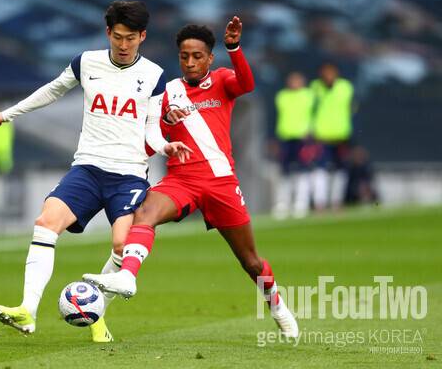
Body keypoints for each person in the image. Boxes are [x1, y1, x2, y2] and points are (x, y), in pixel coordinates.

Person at [0, 0, 191, 342]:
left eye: (131, 38)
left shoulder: (154, 75)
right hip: (88, 168)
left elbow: (153, 128)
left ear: (142, 36)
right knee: (46, 223)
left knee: (123, 245)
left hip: (128, 175)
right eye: (118, 37)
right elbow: (52, 90)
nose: (123, 45)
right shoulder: (86, 62)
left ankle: (97, 315)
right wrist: (7, 114)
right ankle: (27, 310)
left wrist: (164, 146)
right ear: (108, 32)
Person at [83, 17, 299, 337]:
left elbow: (247, 84)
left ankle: (278, 307)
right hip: (181, 180)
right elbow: (150, 141)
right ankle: (128, 276)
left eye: (197, 56)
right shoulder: (167, 92)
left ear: (210, 58)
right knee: (144, 214)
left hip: (221, 182)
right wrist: (164, 125)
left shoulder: (223, 80)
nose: (190, 62)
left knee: (251, 262)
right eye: (184, 56)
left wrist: (234, 48)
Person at [310, 63, 355, 211]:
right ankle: (320, 203)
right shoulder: (315, 87)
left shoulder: (345, 87)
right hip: (321, 136)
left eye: (331, 72)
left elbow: (350, 107)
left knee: (341, 170)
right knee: (320, 169)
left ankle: (337, 201)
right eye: (326, 73)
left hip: (341, 135)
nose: (328, 76)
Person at [271, 72, 314, 219]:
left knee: (302, 171)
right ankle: (282, 204)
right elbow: (276, 117)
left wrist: (311, 131)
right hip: (285, 137)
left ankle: (301, 203)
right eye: (292, 80)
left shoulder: (309, 95)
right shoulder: (282, 96)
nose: (294, 83)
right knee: (284, 172)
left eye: (297, 80)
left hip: (303, 139)